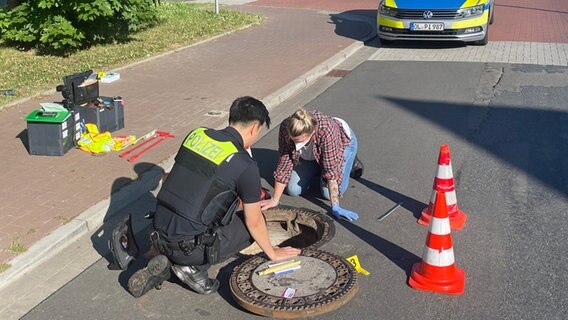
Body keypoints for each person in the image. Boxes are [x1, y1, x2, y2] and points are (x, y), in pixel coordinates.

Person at [128, 97, 301, 298]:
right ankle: (192, 267)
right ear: (254, 128)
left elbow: (170, 178)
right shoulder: (245, 164)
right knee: (251, 224)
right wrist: (272, 252)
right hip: (188, 248)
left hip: (157, 233)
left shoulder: (196, 135)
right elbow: (253, 221)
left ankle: (164, 256)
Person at [260, 108, 363, 221]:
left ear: (312, 132)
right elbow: (285, 163)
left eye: (299, 141)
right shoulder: (286, 127)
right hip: (311, 151)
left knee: (327, 193)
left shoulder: (327, 131)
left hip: (341, 143)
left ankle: (350, 160)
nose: (294, 144)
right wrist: (275, 199)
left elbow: (332, 172)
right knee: (293, 190)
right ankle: (319, 163)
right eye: (293, 140)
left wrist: (335, 206)